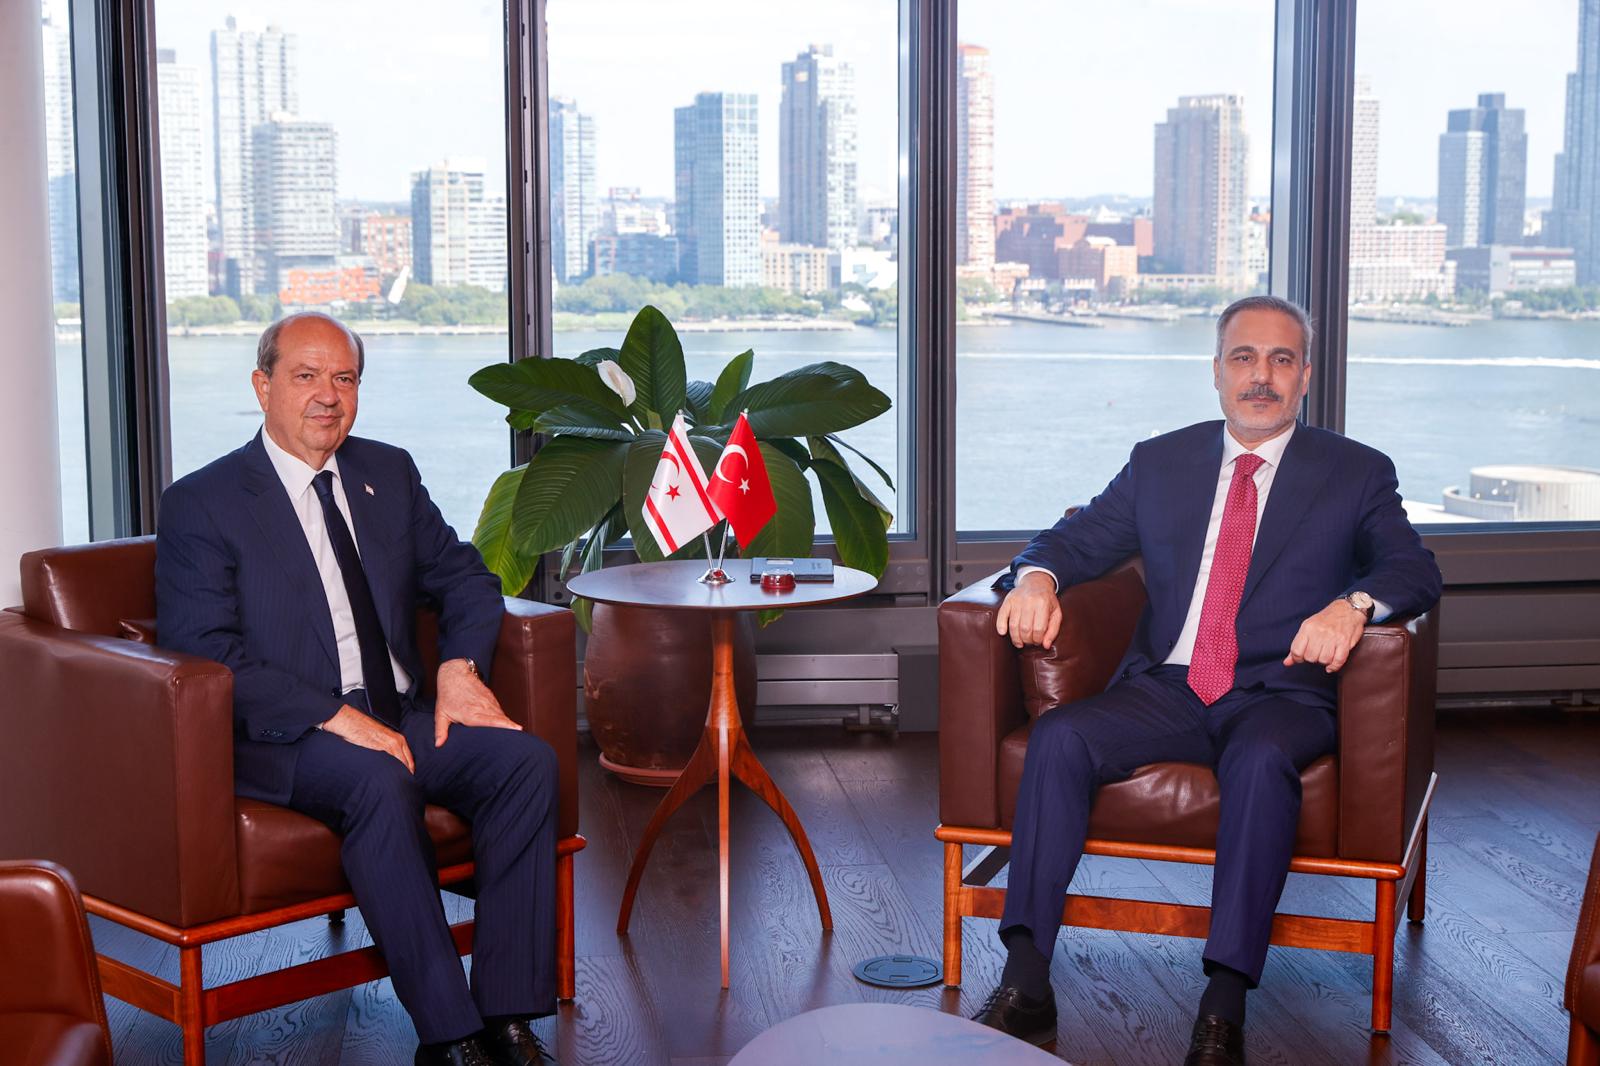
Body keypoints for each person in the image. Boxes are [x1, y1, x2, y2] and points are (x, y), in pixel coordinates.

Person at [971, 295, 1442, 1066]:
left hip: (1282, 692)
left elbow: (1413, 569)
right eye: (1244, 358)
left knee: (1260, 761)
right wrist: (1037, 578)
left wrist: (1354, 605)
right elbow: (1074, 539)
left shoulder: (1354, 472)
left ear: (1306, 375)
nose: (1262, 377)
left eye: (1282, 360)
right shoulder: (1162, 461)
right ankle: (1026, 982)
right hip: (1168, 687)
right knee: (1059, 738)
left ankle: (1224, 1003)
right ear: (1216, 371)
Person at [156, 312, 559, 1066]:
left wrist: (458, 669)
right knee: (378, 777)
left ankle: (507, 1016)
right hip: (286, 736)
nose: (327, 396)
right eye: (306, 376)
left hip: (397, 713)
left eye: (344, 378)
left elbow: (466, 579)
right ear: (262, 387)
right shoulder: (202, 503)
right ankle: (452, 1035)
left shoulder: (388, 473)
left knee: (524, 764)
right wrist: (334, 716)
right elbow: (205, 654)